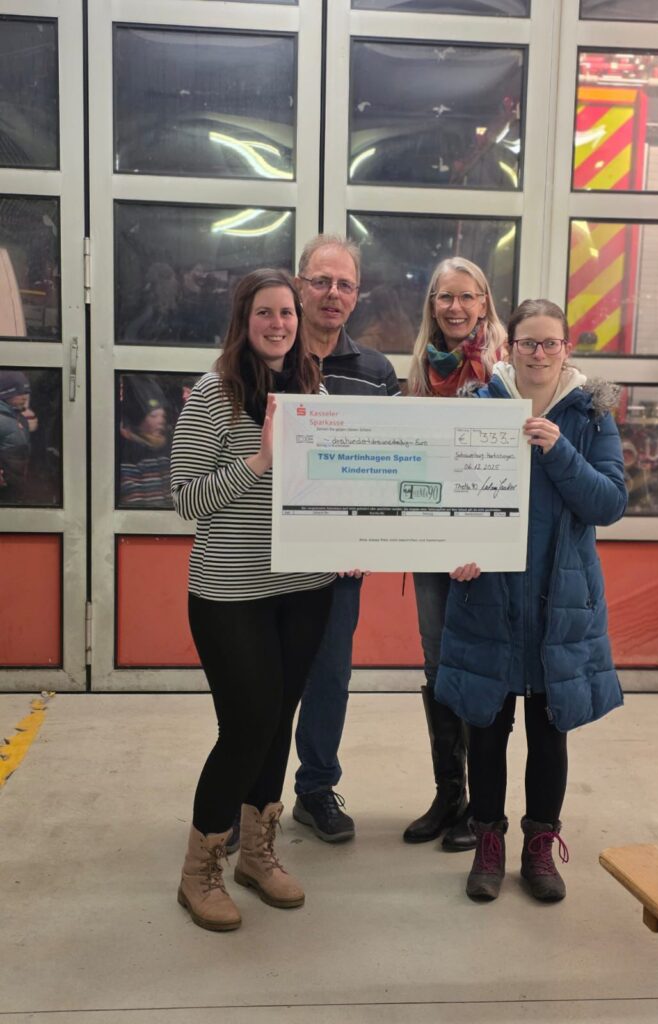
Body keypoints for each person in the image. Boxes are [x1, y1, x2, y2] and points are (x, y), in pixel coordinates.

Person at [435, 298, 627, 902]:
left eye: (550, 343)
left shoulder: (592, 415)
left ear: (567, 349)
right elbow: (446, 498)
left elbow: (609, 503)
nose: (539, 354)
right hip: (487, 599)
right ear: (508, 347)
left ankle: (540, 846)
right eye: (527, 343)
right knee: (486, 729)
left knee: (550, 731)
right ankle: (487, 843)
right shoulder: (478, 407)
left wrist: (558, 449)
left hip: (559, 603)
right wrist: (456, 548)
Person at [171, 268, 336, 932]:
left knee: (278, 722)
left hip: (306, 587)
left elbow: (330, 481)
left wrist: (352, 529)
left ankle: (257, 856)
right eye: (265, 312)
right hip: (231, 590)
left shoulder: (312, 390)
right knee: (246, 726)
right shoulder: (215, 394)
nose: (278, 323)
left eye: (287, 313)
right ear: (244, 320)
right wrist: (259, 463)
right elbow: (186, 499)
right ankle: (199, 870)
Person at [289, 234, 400, 844]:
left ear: (357, 295)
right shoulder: (268, 356)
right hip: (269, 556)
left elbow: (393, 464)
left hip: (342, 564)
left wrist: (368, 541)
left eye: (345, 284)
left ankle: (315, 790)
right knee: (265, 680)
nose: (333, 294)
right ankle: (249, 796)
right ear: (299, 284)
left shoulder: (376, 373)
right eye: (321, 281)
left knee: (330, 678)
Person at [403, 257, 507, 853]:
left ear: (484, 302)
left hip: (486, 546)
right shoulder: (419, 367)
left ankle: (484, 809)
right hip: (430, 539)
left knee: (481, 664)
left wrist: (483, 540)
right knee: (438, 663)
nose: (456, 308)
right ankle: (450, 796)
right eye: (445, 297)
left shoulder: (506, 365)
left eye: (467, 297)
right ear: (433, 305)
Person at [118, 375, 172, 508]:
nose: (161, 420)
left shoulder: (167, 454)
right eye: (153, 415)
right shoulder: (127, 456)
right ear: (138, 420)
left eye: (163, 415)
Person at [0, 370, 35, 503]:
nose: (24, 397)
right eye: (19, 392)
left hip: (15, 485)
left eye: (26, 392)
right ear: (5, 393)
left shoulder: (21, 419)